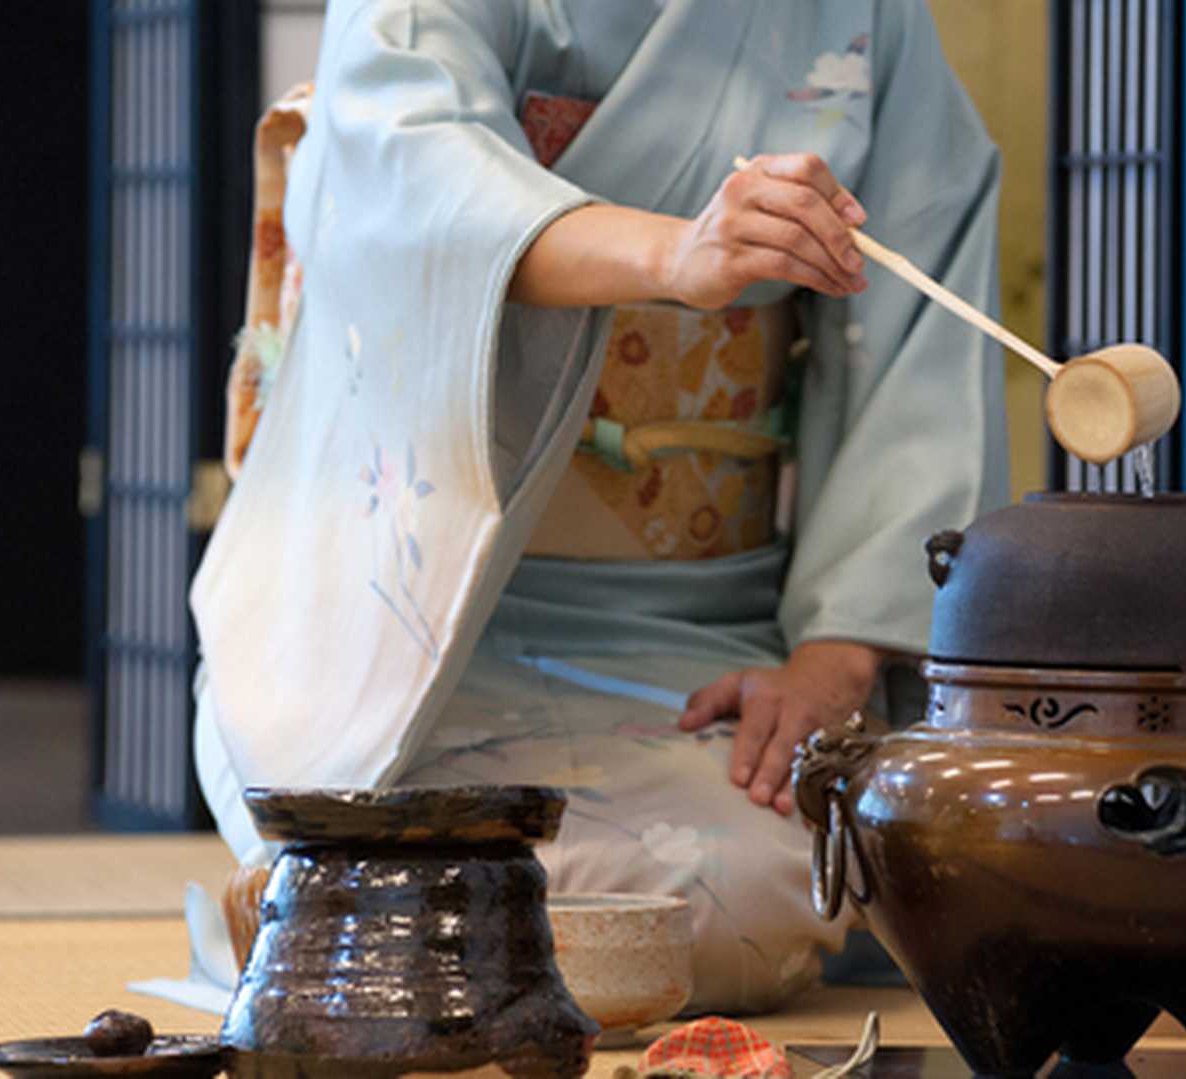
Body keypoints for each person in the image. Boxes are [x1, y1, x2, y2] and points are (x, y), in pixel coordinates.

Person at [191, 0, 1009, 1013]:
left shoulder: (863, 16)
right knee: (365, 824)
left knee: (732, 893)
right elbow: (411, 180)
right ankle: (325, 899)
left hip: (695, 644)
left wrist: (831, 659)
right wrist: (678, 257)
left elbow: (924, 320)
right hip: (396, 616)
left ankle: (320, 931)